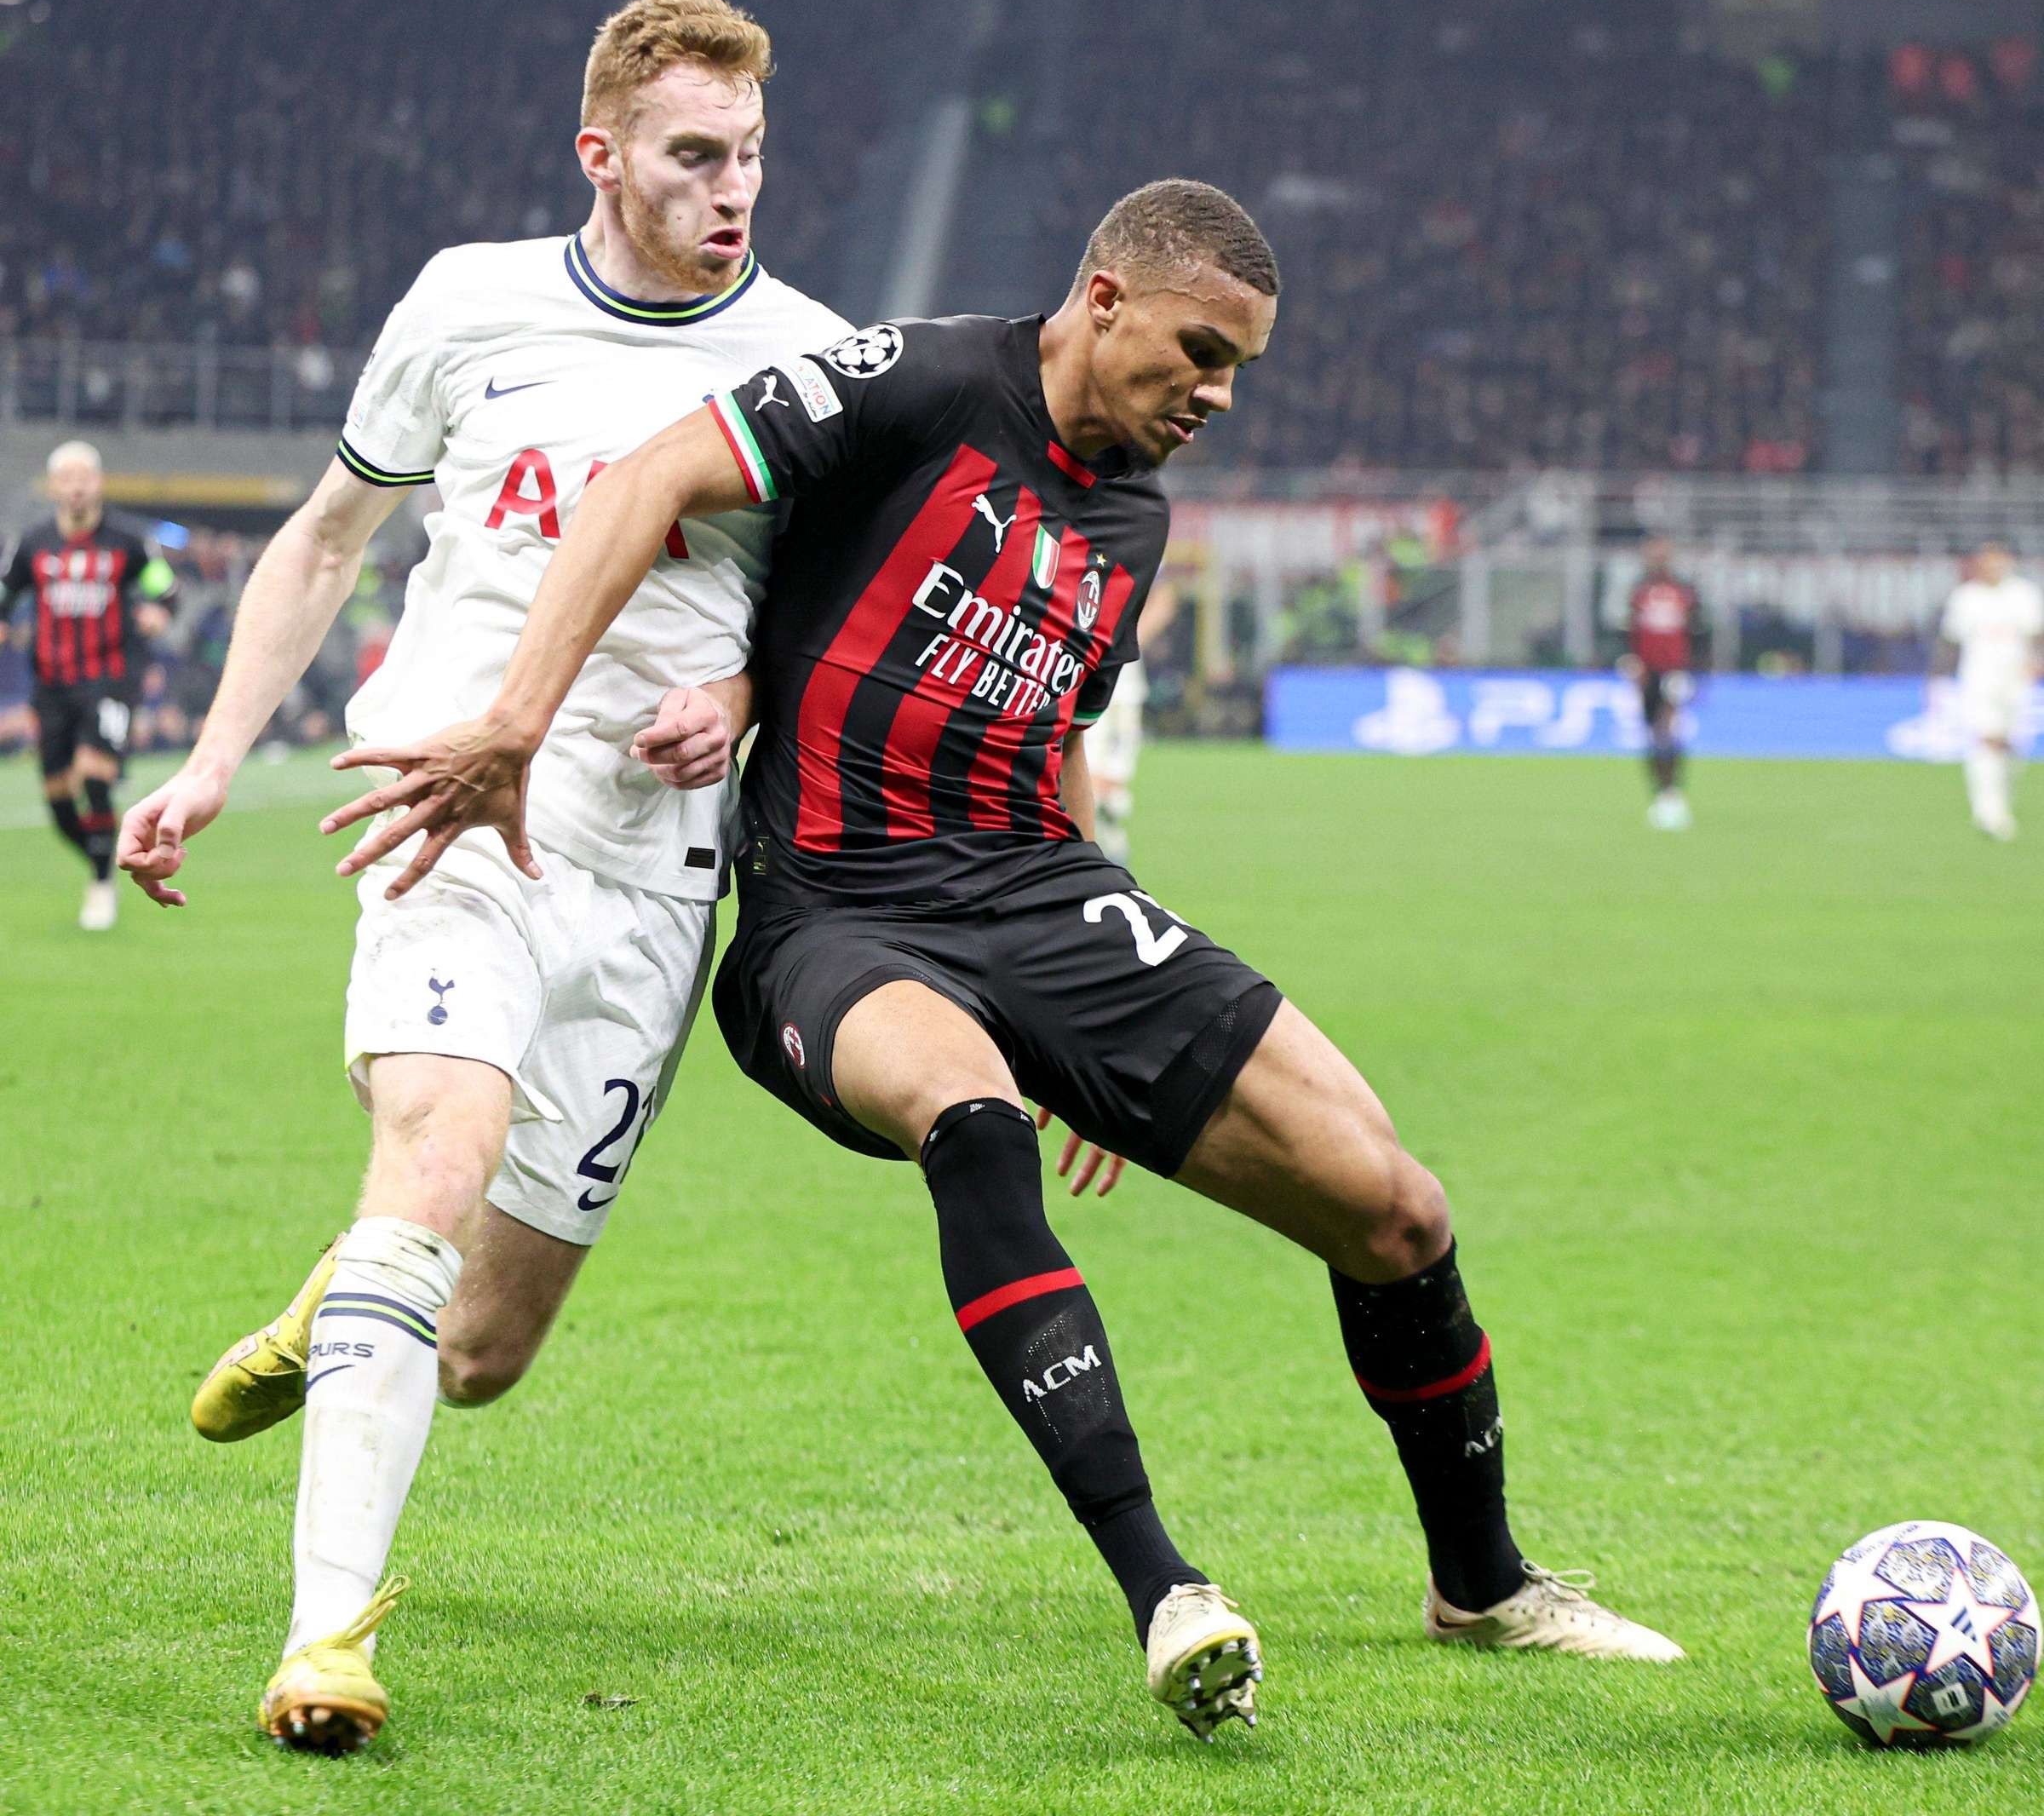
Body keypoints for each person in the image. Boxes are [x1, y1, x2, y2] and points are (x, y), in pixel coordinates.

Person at [323, 178, 1684, 1745]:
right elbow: (642, 481)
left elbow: (1062, 736)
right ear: (1103, 299)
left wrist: (1103, 1021)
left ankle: (1486, 1582)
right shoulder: (916, 380)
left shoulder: (1135, 512)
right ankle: (1168, 1590)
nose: (1218, 397)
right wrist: (512, 717)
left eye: (1239, 368)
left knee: (1394, 1207)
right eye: (1200, 351)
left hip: (1041, 892)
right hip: (834, 917)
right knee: (971, 1120)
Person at [116, 0, 854, 1755]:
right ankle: (324, 1648)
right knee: (434, 1158)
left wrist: (744, 692)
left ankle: (334, 1299)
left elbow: (838, 627)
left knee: (482, 1344)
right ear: (601, 155)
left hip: (654, 867)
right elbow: (325, 537)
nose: (729, 188)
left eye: (749, 155)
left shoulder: (818, 358)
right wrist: (214, 757)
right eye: (692, 156)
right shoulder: (468, 303)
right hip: (448, 803)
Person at [1, 440, 174, 929]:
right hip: (51, 685)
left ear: (97, 483)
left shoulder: (129, 541)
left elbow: (167, 589)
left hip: (110, 679)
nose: (77, 488)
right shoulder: (33, 544)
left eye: (85, 478)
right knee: (58, 803)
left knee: (94, 777)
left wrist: (160, 612)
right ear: (54, 487)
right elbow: (5, 595)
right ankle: (103, 861)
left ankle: (100, 883)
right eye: (67, 479)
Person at [1937, 541, 2042, 841]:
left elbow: (2037, 634)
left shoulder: (2023, 594)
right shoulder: (1966, 597)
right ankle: (1987, 812)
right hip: (1979, 680)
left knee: (2013, 745)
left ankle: (2002, 806)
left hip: (2017, 680)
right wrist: (1938, 678)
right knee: (1986, 740)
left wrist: (2036, 663)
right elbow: (1951, 641)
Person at [1085, 578, 1178, 863]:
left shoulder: (1136, 537)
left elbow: (1164, 598)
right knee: (1086, 785)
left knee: (1109, 795)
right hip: (1076, 669)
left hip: (1118, 683)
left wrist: (1125, 640)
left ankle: (1101, 873)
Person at [1619, 539, 1700, 830]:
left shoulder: (1684, 591)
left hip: (1675, 671)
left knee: (1668, 727)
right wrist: (1633, 663)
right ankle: (1661, 793)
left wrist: (1693, 669)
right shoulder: (1639, 593)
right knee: (1652, 733)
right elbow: (1631, 632)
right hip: (1647, 672)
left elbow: (1698, 631)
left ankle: (1673, 793)